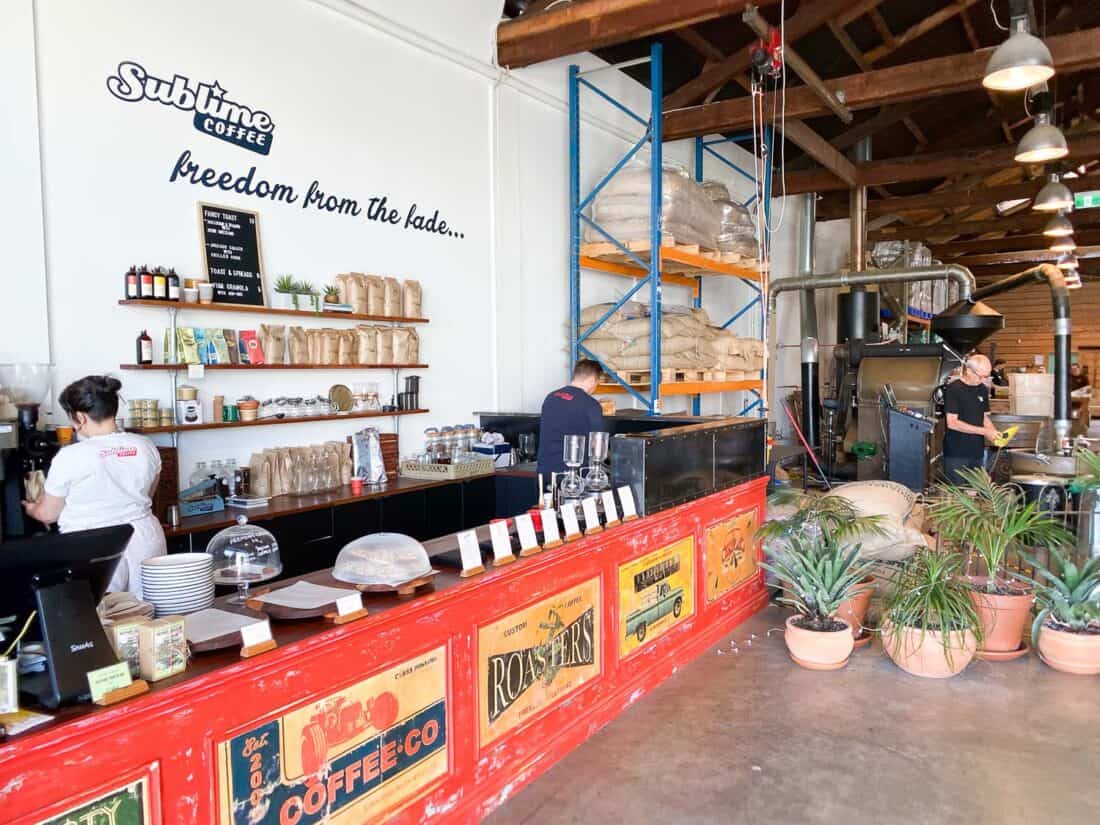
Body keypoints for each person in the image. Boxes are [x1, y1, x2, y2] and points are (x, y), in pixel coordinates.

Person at [22, 376, 165, 598]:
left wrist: (30, 507)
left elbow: (48, 514)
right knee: (151, 616)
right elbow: (148, 494)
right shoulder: (145, 445)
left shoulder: (70, 455)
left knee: (101, 619)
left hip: (93, 545)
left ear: (80, 417)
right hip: (144, 537)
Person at [536, 360, 605, 480]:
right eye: (596, 383)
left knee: (548, 499)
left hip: (544, 472)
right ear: (592, 380)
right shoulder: (591, 405)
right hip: (573, 477)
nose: (595, 387)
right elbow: (597, 445)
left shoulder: (551, 397)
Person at [941, 354, 1001, 484]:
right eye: (981, 376)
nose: (984, 380)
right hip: (957, 453)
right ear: (968, 370)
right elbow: (952, 423)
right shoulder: (954, 389)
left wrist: (994, 433)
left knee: (973, 494)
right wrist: (985, 432)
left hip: (977, 451)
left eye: (987, 376)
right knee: (957, 495)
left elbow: (983, 417)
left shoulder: (982, 389)